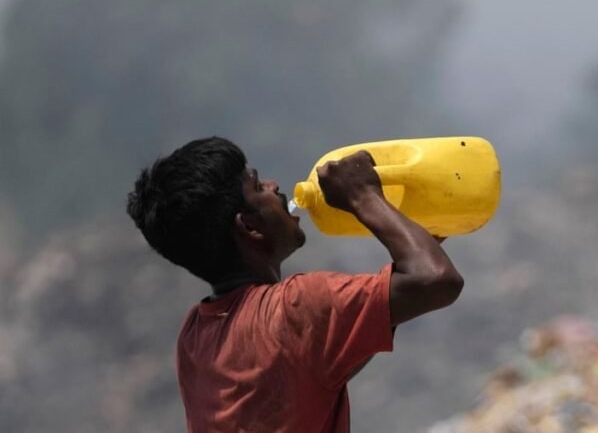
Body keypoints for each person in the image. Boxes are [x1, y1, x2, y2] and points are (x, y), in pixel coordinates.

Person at [125, 136, 463, 432]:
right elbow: (437, 279)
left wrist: (414, 244)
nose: (274, 186)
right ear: (250, 227)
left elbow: (322, 358)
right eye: (258, 187)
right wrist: (363, 196)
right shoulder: (297, 307)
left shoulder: (195, 337)